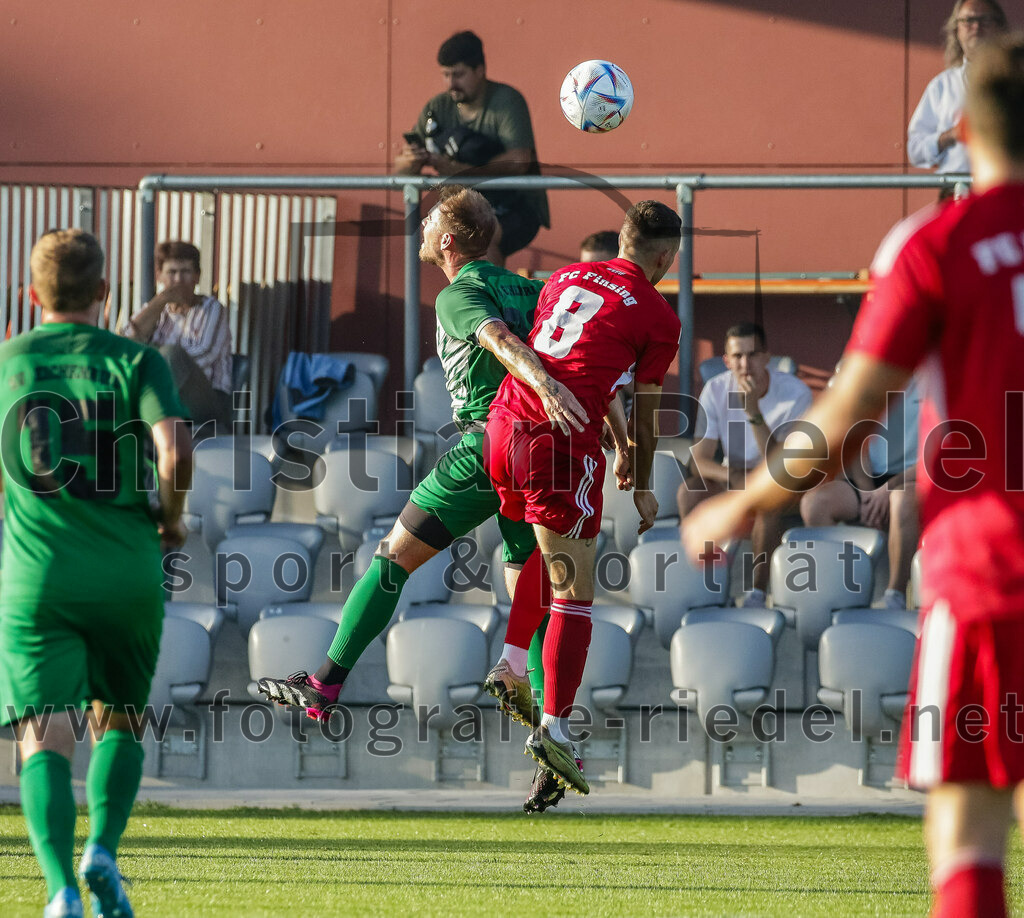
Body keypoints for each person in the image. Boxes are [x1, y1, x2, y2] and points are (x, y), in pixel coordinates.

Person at [683, 33, 1024, 916]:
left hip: (991, 570)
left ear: (961, 138)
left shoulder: (936, 246)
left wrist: (750, 501)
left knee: (968, 823)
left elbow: (846, 416)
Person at [255, 186, 598, 813]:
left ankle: (325, 686)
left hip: (486, 447)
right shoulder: (534, 286)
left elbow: (497, 340)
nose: (419, 228)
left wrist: (540, 383)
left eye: (428, 222)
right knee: (539, 596)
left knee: (391, 557)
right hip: (544, 457)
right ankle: (553, 739)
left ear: (447, 241)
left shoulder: (457, 291)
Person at [0, 230, 192, 917]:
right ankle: (102, 852)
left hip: (38, 576)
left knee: (41, 732)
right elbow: (174, 453)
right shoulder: (138, 359)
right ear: (105, 293)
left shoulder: (8, 361)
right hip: (126, 570)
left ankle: (58, 892)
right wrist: (171, 519)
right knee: (120, 721)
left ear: (32, 295)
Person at [482, 200, 682, 794]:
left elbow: (579, 366)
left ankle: (514, 663)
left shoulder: (563, 279)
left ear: (622, 241)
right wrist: (642, 480)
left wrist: (615, 440)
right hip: (558, 443)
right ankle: (555, 726)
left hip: (504, 428)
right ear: (666, 257)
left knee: (550, 556)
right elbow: (648, 412)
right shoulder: (656, 315)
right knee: (576, 592)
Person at [677, 323, 813, 606]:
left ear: (766, 358)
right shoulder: (715, 390)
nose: (745, 363)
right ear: (726, 360)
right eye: (737, 356)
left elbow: (783, 465)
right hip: (735, 477)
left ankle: (757, 594)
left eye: (752, 355)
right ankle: (706, 586)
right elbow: (699, 461)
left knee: (767, 499)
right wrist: (736, 477)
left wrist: (753, 412)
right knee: (689, 492)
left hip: (779, 482)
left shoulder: (796, 393)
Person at [395, 30, 550, 266]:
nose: (450, 83)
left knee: (480, 238)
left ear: (480, 70)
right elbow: (401, 170)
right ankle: (469, 300)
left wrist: (461, 170)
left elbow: (520, 160)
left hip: (518, 204)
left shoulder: (507, 100)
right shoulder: (437, 106)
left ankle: (491, 303)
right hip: (464, 206)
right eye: (445, 75)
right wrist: (411, 161)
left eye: (458, 74)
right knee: (444, 239)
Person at [800, 371, 922, 609]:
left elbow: (936, 454)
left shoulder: (935, 378)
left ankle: (894, 596)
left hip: (912, 478)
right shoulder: (866, 374)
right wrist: (867, 493)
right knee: (815, 504)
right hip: (868, 476)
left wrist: (888, 488)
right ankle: (839, 595)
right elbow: (852, 440)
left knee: (901, 501)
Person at [123, 240, 233, 429]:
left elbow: (202, 355)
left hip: (206, 400)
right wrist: (159, 302)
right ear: (160, 276)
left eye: (185, 272)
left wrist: (153, 359)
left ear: (197, 277)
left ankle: (140, 417)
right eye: (172, 273)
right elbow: (126, 345)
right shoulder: (156, 310)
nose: (178, 280)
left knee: (171, 354)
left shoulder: (212, 309)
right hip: (163, 396)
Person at [908, 0, 1008, 183]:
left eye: (985, 20)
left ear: (1000, 28)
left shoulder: (1017, 81)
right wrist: (951, 135)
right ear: (956, 30)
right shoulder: (941, 86)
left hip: (1006, 189)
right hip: (956, 190)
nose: (977, 27)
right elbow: (915, 150)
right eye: (968, 20)